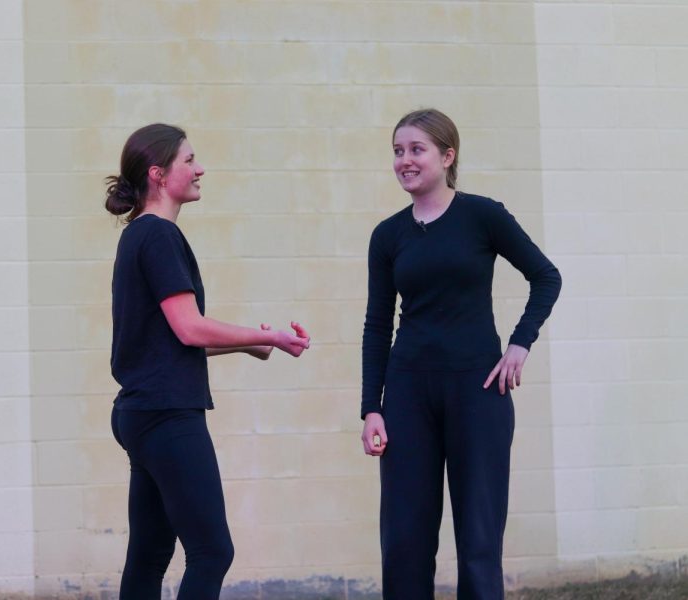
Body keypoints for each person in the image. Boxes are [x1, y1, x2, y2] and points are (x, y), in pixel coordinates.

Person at [360, 109, 562, 600]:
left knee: (478, 539)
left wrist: (520, 342)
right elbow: (376, 325)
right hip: (408, 394)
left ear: (447, 156)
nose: (404, 160)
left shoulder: (483, 216)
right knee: (405, 541)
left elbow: (546, 276)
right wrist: (371, 407)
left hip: (478, 391)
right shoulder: (388, 235)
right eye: (397, 151)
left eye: (416, 150)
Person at [105, 123, 311, 599]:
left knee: (151, 555)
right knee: (212, 551)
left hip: (142, 411)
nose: (200, 169)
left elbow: (168, 340)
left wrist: (250, 341)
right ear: (159, 174)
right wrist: (274, 337)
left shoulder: (138, 236)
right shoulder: (158, 236)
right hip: (166, 414)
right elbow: (189, 327)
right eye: (189, 161)